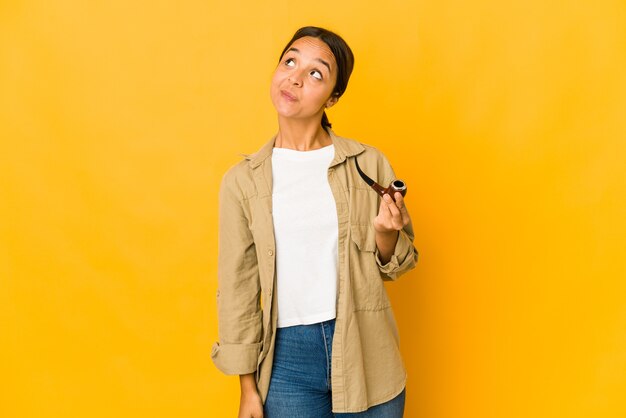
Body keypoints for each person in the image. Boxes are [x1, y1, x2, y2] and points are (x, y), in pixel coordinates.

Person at [212, 26, 418, 418]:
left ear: (333, 97)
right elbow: (237, 288)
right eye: (290, 62)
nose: (296, 77)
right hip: (287, 361)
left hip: (366, 349)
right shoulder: (242, 182)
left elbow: (399, 264)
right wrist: (247, 388)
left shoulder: (367, 164)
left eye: (316, 73)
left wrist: (386, 235)